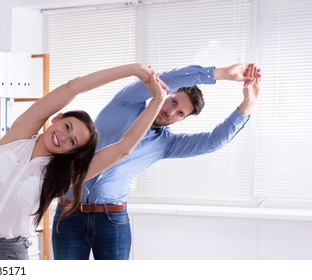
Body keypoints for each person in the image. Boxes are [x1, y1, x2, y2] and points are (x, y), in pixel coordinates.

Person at [0, 63, 169, 260]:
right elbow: (72, 87)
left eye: (72, 141)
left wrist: (158, 101)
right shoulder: (18, 136)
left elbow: (123, 148)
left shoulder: (59, 176)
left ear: (70, 151)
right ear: (58, 117)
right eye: (66, 127)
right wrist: (132, 69)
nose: (63, 137)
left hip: (7, 255)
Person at [51, 63, 261, 260]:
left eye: (180, 113)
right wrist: (221, 73)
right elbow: (165, 78)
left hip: (112, 221)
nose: (170, 111)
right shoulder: (127, 102)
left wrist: (247, 105)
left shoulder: (166, 144)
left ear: (182, 120)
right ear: (168, 92)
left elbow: (213, 141)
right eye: (174, 101)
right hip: (69, 214)